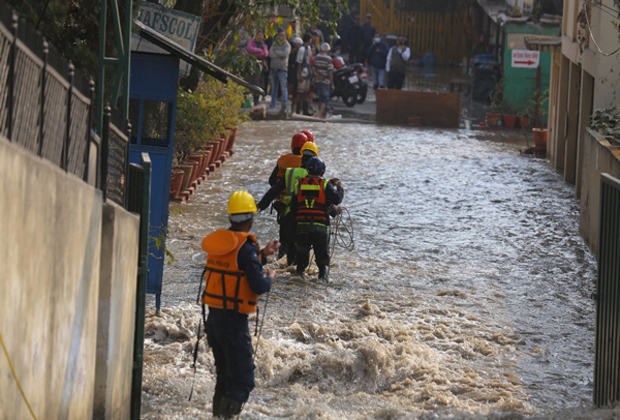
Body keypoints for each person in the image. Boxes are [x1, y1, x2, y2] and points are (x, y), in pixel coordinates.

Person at [201, 190, 280, 419]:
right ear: (251, 219)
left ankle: (217, 416)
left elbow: (237, 266)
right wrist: (271, 278)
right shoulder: (245, 248)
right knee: (244, 381)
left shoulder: (222, 243)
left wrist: (263, 253)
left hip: (214, 320)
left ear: (230, 219)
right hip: (233, 324)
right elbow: (258, 285)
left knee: (224, 379)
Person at [259, 142, 319, 267]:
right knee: (302, 250)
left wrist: (261, 205)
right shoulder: (317, 177)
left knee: (285, 245)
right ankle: (297, 275)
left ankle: (282, 265)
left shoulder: (290, 172)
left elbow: (273, 190)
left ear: (302, 156)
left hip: (287, 215)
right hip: (306, 219)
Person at [291, 157, 344, 282]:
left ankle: (297, 281)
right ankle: (322, 284)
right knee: (323, 264)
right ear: (322, 172)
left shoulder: (299, 184)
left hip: (302, 229)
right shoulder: (325, 185)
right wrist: (340, 188)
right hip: (320, 230)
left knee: (301, 265)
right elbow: (336, 199)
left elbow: (294, 207)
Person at [268, 28, 291, 112]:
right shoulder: (274, 44)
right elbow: (270, 54)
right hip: (274, 69)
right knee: (274, 89)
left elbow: (284, 55)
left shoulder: (287, 45)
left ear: (285, 37)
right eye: (280, 36)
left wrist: (276, 52)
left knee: (283, 88)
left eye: (283, 36)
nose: (281, 37)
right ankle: (272, 105)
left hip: (282, 70)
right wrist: (278, 53)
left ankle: (283, 106)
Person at [312, 42, 334, 119]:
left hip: (317, 81)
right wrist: (332, 83)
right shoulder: (328, 59)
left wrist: (318, 76)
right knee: (325, 98)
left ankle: (320, 114)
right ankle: (319, 114)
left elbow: (313, 69)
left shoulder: (317, 57)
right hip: (325, 81)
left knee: (320, 97)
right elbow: (330, 72)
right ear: (328, 50)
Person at [247, 31, 269, 106]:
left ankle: (256, 101)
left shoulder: (264, 44)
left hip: (260, 67)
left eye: (261, 35)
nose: (260, 37)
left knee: (258, 84)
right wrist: (259, 50)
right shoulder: (251, 42)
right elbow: (250, 49)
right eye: (258, 35)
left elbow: (265, 54)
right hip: (251, 66)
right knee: (249, 82)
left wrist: (256, 53)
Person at [296, 33, 314, 116]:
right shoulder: (302, 49)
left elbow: (309, 61)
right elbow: (299, 63)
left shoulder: (309, 48)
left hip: (308, 73)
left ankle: (305, 110)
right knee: (300, 92)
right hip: (302, 73)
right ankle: (298, 110)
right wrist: (300, 75)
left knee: (306, 92)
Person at [288, 37, 303, 114]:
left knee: (296, 94)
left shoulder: (299, 53)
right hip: (290, 74)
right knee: (290, 91)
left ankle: (295, 110)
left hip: (296, 75)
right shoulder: (290, 54)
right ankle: (290, 109)